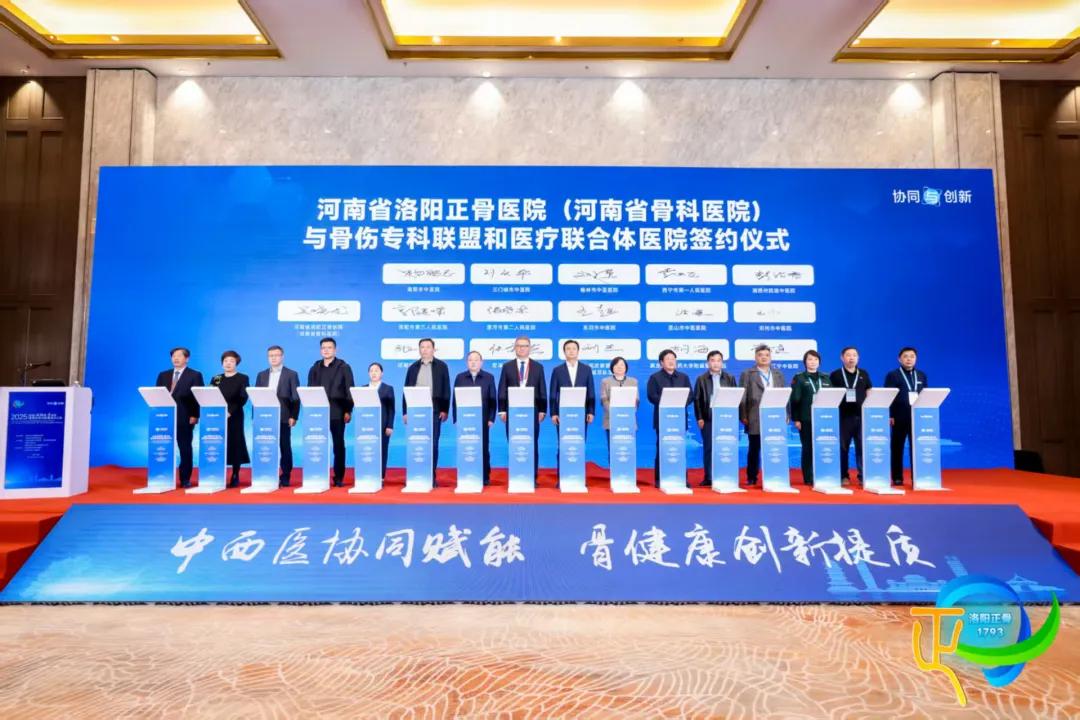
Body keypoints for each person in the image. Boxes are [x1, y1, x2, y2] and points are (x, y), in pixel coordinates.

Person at [497, 335, 547, 481]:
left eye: (525, 346)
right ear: (515, 348)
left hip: (533, 411)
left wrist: (543, 410)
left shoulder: (538, 367)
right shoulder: (507, 366)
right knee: (514, 443)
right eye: (519, 345)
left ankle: (532, 477)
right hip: (512, 411)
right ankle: (515, 475)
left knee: (532, 443)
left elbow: (542, 389)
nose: (522, 348)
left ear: (529, 348)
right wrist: (502, 410)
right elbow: (502, 389)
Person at [307, 337, 355, 487]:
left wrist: (348, 410)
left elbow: (350, 390)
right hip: (318, 412)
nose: (326, 350)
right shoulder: (314, 368)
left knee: (338, 445)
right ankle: (317, 474)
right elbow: (309, 390)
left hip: (337, 411)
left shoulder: (344, 367)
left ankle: (338, 476)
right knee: (317, 444)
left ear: (335, 350)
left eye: (329, 347)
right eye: (323, 348)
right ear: (320, 350)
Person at [403, 338, 451, 487]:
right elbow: (406, 389)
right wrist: (405, 411)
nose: (424, 349)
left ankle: (430, 476)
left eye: (428, 347)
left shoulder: (442, 366)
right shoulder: (412, 367)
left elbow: (446, 388)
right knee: (417, 443)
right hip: (415, 410)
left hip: (435, 410)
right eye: (422, 347)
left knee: (433, 444)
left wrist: (445, 409)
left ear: (433, 349)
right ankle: (416, 476)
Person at [155, 347, 204, 489]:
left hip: (185, 416)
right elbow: (157, 395)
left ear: (187, 359)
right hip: (164, 417)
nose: (175, 358)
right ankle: (163, 477)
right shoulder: (163, 375)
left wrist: (195, 415)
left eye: (179, 356)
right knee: (163, 447)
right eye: (173, 356)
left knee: (185, 448)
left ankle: (185, 478)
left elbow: (198, 396)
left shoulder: (195, 375)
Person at [739, 344, 787, 487]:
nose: (764, 358)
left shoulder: (778, 374)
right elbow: (742, 396)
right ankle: (752, 477)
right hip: (755, 415)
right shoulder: (748, 374)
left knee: (774, 447)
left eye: (767, 355)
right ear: (755, 357)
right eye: (760, 355)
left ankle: (774, 475)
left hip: (775, 416)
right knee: (754, 448)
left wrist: (786, 413)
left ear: (771, 357)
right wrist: (743, 415)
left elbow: (785, 395)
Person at [549, 339, 596, 479]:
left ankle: (579, 477)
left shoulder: (586, 369)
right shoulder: (557, 370)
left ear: (578, 351)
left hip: (581, 414)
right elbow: (553, 393)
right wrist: (553, 413)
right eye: (568, 349)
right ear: (564, 352)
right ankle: (562, 478)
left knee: (579, 444)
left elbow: (591, 392)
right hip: (563, 415)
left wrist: (591, 411)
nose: (571, 351)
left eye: (573, 348)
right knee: (563, 445)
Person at [255, 345, 300, 487]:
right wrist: (255, 417)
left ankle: (285, 475)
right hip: (265, 417)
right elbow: (256, 396)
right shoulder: (261, 375)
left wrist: (294, 416)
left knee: (284, 446)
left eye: (276, 355)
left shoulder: (291, 374)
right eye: (271, 356)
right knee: (266, 445)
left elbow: (296, 398)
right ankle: (267, 473)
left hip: (284, 416)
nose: (273, 358)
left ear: (282, 357)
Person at [646, 349, 692, 487]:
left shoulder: (684, 377)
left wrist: (679, 401)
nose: (671, 361)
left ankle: (682, 478)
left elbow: (690, 395)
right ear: (661, 362)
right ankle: (660, 479)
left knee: (679, 449)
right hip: (662, 419)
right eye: (668, 359)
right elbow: (651, 395)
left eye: (673, 358)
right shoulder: (655, 378)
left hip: (679, 419)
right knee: (662, 449)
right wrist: (667, 401)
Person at [884, 346, 928, 487]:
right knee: (897, 448)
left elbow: (926, 396)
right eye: (906, 356)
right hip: (898, 417)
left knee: (917, 448)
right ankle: (897, 477)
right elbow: (888, 396)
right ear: (899, 359)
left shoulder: (921, 375)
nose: (909, 359)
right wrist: (890, 415)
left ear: (916, 359)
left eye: (912, 356)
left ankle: (917, 477)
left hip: (917, 417)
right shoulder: (893, 375)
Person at [452, 351, 497, 485]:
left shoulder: (489, 377)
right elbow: (455, 400)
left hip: (483, 419)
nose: (473, 362)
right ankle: (466, 473)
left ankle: (484, 476)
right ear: (467, 362)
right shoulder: (460, 378)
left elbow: (493, 400)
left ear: (481, 362)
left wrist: (491, 418)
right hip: (465, 419)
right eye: (470, 360)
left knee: (483, 447)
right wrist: (456, 418)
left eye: (476, 360)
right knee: (466, 446)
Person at [829, 346, 872, 487]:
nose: (851, 358)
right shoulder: (835, 375)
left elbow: (869, 392)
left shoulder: (863, 374)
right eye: (848, 355)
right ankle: (843, 476)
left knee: (862, 447)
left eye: (854, 355)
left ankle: (863, 476)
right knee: (843, 448)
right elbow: (831, 395)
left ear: (858, 358)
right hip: (843, 417)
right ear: (842, 358)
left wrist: (869, 410)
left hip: (861, 416)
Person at [693, 350, 736, 487]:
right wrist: (700, 418)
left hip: (726, 418)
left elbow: (735, 397)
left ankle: (726, 474)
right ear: (708, 363)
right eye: (713, 360)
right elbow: (697, 400)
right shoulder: (701, 379)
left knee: (726, 446)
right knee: (709, 448)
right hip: (708, 418)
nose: (716, 363)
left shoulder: (730, 378)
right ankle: (709, 477)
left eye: (718, 360)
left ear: (722, 363)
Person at [790, 349, 831, 487]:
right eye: (810, 359)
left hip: (823, 419)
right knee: (807, 448)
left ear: (819, 362)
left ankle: (822, 474)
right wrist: (796, 419)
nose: (813, 362)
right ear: (805, 362)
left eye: (815, 359)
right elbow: (794, 400)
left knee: (822, 447)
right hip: (806, 419)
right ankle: (808, 477)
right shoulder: (799, 378)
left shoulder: (826, 378)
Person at [211, 350, 250, 488]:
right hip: (217, 416)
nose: (228, 363)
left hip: (234, 415)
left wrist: (229, 411)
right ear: (222, 363)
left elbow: (243, 398)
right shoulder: (216, 378)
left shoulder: (243, 378)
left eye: (231, 361)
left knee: (235, 443)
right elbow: (210, 395)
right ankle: (217, 473)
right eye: (225, 361)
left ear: (236, 363)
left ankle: (235, 474)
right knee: (217, 443)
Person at [599, 356, 638, 453]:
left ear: (626, 367)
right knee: (613, 449)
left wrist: (629, 412)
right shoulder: (605, 381)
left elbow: (636, 400)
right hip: (611, 419)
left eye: (622, 365)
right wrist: (614, 413)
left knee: (627, 448)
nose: (619, 367)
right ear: (612, 367)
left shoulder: (633, 381)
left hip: (628, 419)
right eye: (616, 365)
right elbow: (604, 399)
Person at [365, 362, 395, 480]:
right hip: (366, 426)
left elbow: (391, 409)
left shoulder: (388, 389)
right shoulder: (363, 389)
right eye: (371, 371)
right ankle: (367, 474)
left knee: (382, 450)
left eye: (376, 370)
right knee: (367, 450)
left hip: (383, 426)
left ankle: (380, 476)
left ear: (381, 373)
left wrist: (390, 425)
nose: (374, 373)